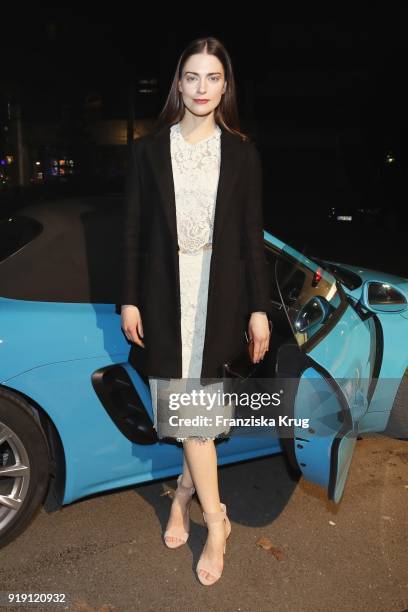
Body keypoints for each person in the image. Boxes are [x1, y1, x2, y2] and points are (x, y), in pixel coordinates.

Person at [120, 36, 271, 586]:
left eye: (212, 78)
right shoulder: (148, 150)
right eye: (192, 77)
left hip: (220, 295)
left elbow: (252, 240)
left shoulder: (244, 154)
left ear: (225, 86)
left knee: (195, 421)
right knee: (193, 417)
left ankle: (196, 506)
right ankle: (209, 513)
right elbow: (133, 231)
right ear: (177, 84)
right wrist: (129, 296)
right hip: (165, 296)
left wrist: (259, 310)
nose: (202, 88)